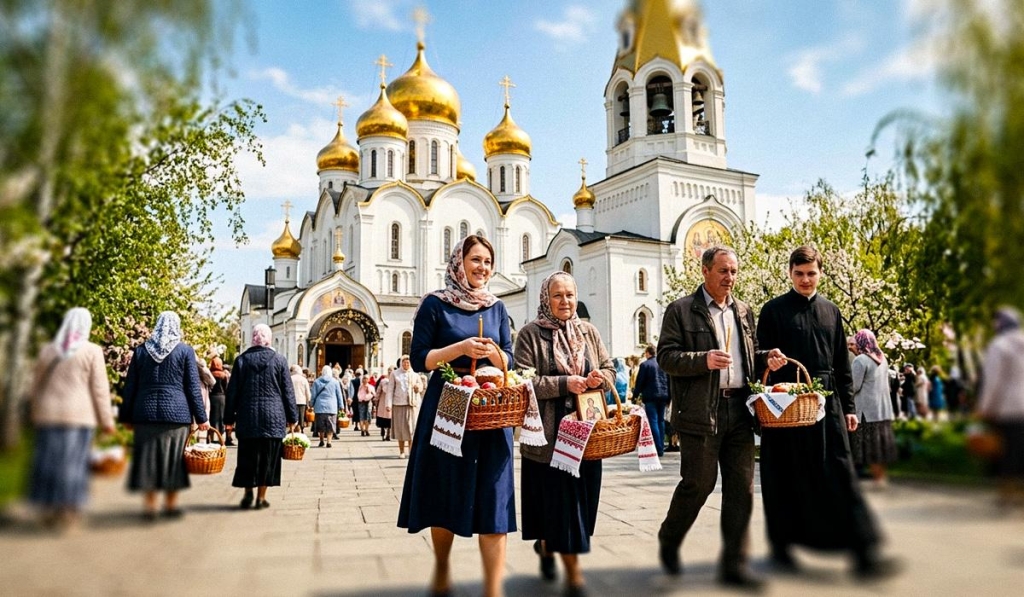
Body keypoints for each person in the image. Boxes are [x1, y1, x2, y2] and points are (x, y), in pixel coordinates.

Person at [756, 246, 897, 579]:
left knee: (840, 473)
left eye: (811, 273)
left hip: (828, 403)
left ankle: (863, 550)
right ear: (789, 273)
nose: (805, 279)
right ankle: (782, 545)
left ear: (821, 274)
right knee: (785, 474)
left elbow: (841, 365)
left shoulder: (832, 311)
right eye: (799, 273)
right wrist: (768, 358)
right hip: (787, 404)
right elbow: (757, 352)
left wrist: (848, 407)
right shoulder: (773, 310)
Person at [656, 246, 785, 589]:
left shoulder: (743, 311)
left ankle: (734, 566)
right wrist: (703, 360)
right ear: (705, 271)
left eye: (734, 271)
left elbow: (746, 354)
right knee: (698, 484)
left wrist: (766, 357)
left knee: (741, 490)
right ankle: (669, 537)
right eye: (724, 271)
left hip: (740, 410)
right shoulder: (681, 310)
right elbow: (666, 357)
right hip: (700, 411)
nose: (730, 278)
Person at [397, 235, 515, 597]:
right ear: (459, 262)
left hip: (491, 409)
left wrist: (496, 356)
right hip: (447, 403)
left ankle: (493, 589)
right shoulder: (436, 304)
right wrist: (460, 349)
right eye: (475, 260)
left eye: (487, 262)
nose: (482, 268)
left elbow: (510, 358)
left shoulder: (496, 307)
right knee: (446, 490)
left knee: (494, 495)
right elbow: (420, 359)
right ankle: (443, 567)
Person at [513, 271, 614, 596]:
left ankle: (547, 544)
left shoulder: (588, 331)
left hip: (588, 435)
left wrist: (601, 376)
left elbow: (611, 367)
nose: (565, 301)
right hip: (550, 439)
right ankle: (573, 575)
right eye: (558, 295)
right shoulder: (530, 335)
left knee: (581, 504)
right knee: (563, 506)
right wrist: (563, 384)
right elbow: (522, 381)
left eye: (570, 294)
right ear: (546, 298)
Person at [29, 307, 115, 530]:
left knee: (48, 461)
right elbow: (99, 389)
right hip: (78, 416)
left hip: (48, 414)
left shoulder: (48, 350)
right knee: (72, 464)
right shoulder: (91, 351)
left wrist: (35, 411)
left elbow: (36, 384)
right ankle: (68, 509)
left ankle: (47, 506)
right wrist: (107, 421)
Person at [120, 311, 209, 520]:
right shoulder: (185, 351)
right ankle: (169, 506)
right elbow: (192, 388)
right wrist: (202, 418)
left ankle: (150, 507)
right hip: (176, 415)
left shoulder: (141, 351)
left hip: (145, 413)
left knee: (147, 461)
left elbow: (130, 386)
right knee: (174, 461)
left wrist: (126, 416)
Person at [224, 324, 298, 509]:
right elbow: (288, 392)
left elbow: (232, 392)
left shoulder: (241, 360)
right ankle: (261, 497)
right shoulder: (279, 360)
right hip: (273, 417)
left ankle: (248, 492)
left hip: (247, 416)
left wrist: (228, 420)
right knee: (268, 458)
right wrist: (293, 417)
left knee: (247, 457)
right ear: (269, 339)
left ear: (253, 338)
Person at [976, 307, 1024, 507]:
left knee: (1007, 451)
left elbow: (993, 380)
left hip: (1008, 407)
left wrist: (984, 407)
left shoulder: (999, 345)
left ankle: (1007, 493)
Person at [849, 330, 897, 489]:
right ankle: (881, 477)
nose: (852, 346)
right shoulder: (882, 358)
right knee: (880, 445)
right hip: (883, 409)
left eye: (855, 342)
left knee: (870, 447)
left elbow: (854, 386)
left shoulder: (860, 360)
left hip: (867, 410)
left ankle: (877, 480)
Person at [633, 344, 670, 457]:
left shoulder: (645, 365)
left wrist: (635, 395)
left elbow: (640, 382)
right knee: (661, 421)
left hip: (650, 396)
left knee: (653, 421)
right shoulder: (663, 364)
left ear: (648, 353)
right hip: (663, 395)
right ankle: (661, 447)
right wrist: (670, 397)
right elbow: (669, 381)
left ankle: (658, 448)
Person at [385, 355, 422, 459]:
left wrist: (418, 387)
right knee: (401, 429)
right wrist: (388, 404)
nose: (406, 364)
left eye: (408, 363)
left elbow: (421, 385)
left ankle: (410, 451)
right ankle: (401, 451)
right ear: (401, 363)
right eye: (404, 363)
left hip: (412, 404)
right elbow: (390, 389)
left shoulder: (415, 374)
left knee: (411, 429)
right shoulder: (395, 374)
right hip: (399, 404)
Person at [310, 365, 343, 448]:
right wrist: (341, 406)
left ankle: (321, 440)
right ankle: (329, 441)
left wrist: (311, 404)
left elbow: (313, 395)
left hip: (319, 406)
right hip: (331, 406)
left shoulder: (317, 381)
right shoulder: (335, 382)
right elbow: (339, 395)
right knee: (330, 424)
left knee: (320, 424)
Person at [209, 353, 229, 445]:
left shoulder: (210, 374)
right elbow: (226, 388)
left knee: (211, 417)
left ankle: (210, 437)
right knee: (221, 418)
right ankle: (221, 439)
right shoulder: (223, 375)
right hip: (221, 398)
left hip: (212, 397)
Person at [290, 364, 311, 434]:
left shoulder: (290, 378)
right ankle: (301, 429)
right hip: (301, 401)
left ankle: (293, 429)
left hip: (291, 401)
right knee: (301, 417)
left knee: (292, 416)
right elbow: (307, 391)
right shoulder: (303, 379)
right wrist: (309, 401)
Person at [376, 366, 393, 441]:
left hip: (391, 402)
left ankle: (388, 433)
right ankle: (383, 431)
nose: (390, 372)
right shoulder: (383, 381)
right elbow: (379, 391)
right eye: (389, 370)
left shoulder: (395, 380)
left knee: (390, 418)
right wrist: (376, 399)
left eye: (391, 370)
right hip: (383, 401)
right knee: (383, 418)